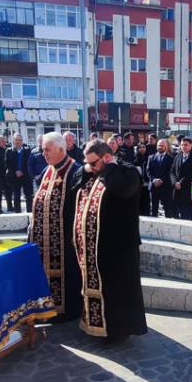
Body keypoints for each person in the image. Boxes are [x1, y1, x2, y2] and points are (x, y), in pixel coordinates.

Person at [72, 139, 147, 341]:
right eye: (87, 163)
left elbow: (122, 189)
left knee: (118, 291)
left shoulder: (127, 171)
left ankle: (116, 332)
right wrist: (89, 169)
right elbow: (74, 184)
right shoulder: (94, 171)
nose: (91, 167)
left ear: (107, 157)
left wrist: (109, 169)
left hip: (119, 247)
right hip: (96, 247)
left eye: (94, 163)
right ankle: (95, 326)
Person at [27, 132, 82, 321]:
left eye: (47, 150)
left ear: (60, 149)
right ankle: (46, 308)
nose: (44, 154)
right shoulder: (48, 169)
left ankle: (66, 311)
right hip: (43, 238)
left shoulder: (75, 170)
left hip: (64, 239)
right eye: (43, 150)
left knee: (67, 277)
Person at [170, 137, 192, 220]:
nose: (184, 147)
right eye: (182, 145)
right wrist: (175, 182)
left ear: (191, 145)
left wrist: (181, 182)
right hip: (177, 190)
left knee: (189, 215)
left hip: (188, 191)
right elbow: (172, 171)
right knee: (176, 214)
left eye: (186, 145)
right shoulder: (177, 156)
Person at [146, 138, 174, 217]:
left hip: (165, 187)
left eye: (162, 146)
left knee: (167, 209)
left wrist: (161, 180)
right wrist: (154, 180)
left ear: (166, 146)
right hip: (153, 187)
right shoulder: (151, 157)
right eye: (158, 145)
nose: (160, 147)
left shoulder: (171, 158)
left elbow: (170, 172)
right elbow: (148, 171)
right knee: (154, 209)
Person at [5, 134, 33, 213]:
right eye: (16, 140)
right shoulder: (9, 151)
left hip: (26, 176)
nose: (18, 141)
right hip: (14, 177)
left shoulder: (27, 150)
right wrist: (16, 171)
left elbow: (29, 163)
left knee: (28, 196)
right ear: (13, 141)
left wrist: (22, 171)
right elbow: (7, 164)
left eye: (20, 140)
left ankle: (30, 213)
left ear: (22, 141)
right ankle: (18, 212)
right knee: (16, 196)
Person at [134, 143, 151, 215]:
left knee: (146, 201)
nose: (142, 149)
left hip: (147, 183)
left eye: (143, 147)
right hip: (138, 184)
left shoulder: (149, 157)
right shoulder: (135, 158)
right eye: (140, 147)